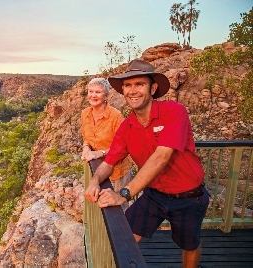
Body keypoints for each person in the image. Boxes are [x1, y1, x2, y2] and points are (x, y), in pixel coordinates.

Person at [84, 59, 209, 268]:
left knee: (190, 245)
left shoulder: (174, 112)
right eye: (128, 85)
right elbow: (110, 160)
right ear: (123, 90)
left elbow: (161, 157)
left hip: (189, 197)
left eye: (139, 84)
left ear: (153, 88)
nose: (133, 91)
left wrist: (123, 194)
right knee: (125, 237)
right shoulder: (127, 127)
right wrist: (95, 180)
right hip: (154, 195)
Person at [81, 78, 133, 196]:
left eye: (98, 92)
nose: (93, 95)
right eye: (90, 91)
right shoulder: (85, 114)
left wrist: (100, 152)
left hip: (118, 171)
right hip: (97, 170)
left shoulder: (115, 116)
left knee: (120, 207)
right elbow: (87, 137)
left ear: (107, 95)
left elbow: (124, 146)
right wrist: (86, 147)